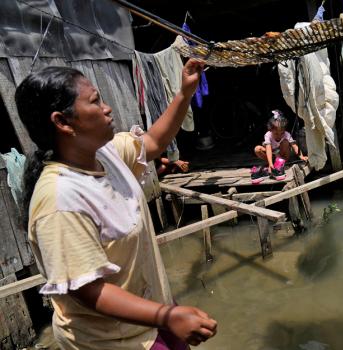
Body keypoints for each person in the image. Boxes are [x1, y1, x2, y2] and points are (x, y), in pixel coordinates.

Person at [15, 59, 217, 350]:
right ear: (62, 121)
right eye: (95, 102)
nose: (107, 108)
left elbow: (152, 143)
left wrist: (185, 92)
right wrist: (167, 315)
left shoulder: (104, 154)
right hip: (113, 339)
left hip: (150, 310)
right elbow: (88, 289)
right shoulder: (60, 199)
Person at [252, 110, 308, 184]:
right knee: (257, 149)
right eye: (276, 133)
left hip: (283, 155)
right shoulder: (268, 135)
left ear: (284, 130)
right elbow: (268, 149)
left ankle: (280, 162)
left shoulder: (286, 134)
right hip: (273, 154)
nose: (279, 135)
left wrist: (301, 156)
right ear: (270, 130)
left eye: (281, 133)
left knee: (285, 141)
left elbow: (294, 146)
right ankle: (273, 164)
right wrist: (270, 164)